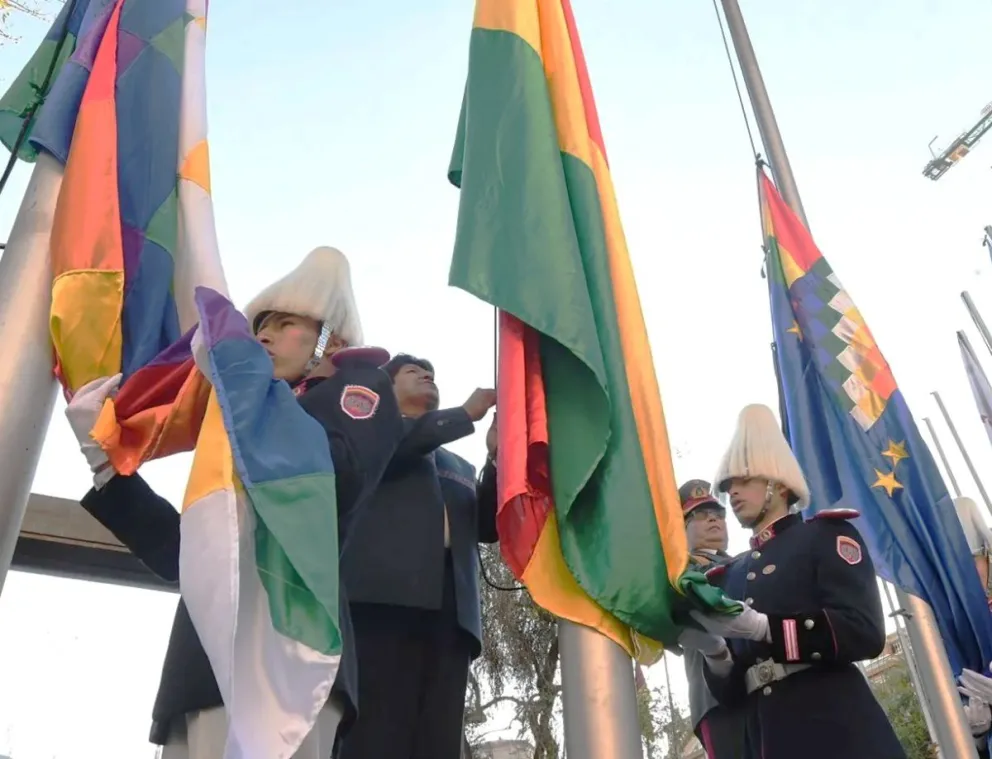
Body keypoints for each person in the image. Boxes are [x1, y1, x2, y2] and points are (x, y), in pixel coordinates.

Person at [65, 247, 403, 759]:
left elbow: (335, 483)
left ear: (331, 337)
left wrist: (246, 390)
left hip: (290, 661)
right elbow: (187, 552)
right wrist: (106, 464)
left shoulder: (355, 389)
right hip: (202, 663)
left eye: (285, 323)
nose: (262, 335)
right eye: (257, 326)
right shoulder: (242, 420)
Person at [688, 403, 905, 759]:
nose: (733, 494)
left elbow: (862, 631)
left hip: (837, 731)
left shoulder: (823, 536)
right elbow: (731, 694)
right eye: (729, 486)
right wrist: (715, 654)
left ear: (776, 481)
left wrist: (764, 628)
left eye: (744, 480)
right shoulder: (730, 576)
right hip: (767, 739)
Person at [336, 353, 498, 759]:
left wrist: (496, 458)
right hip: (380, 602)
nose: (427, 374)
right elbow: (396, 451)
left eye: (431, 372)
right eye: (412, 371)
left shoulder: (457, 462)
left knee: (437, 738)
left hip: (451, 613)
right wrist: (464, 414)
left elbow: (487, 528)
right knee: (374, 733)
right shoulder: (368, 434)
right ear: (386, 389)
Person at [678, 480, 745, 759]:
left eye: (717, 513)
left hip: (763, 693)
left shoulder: (746, 564)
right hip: (716, 701)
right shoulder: (679, 571)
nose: (713, 519)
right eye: (700, 515)